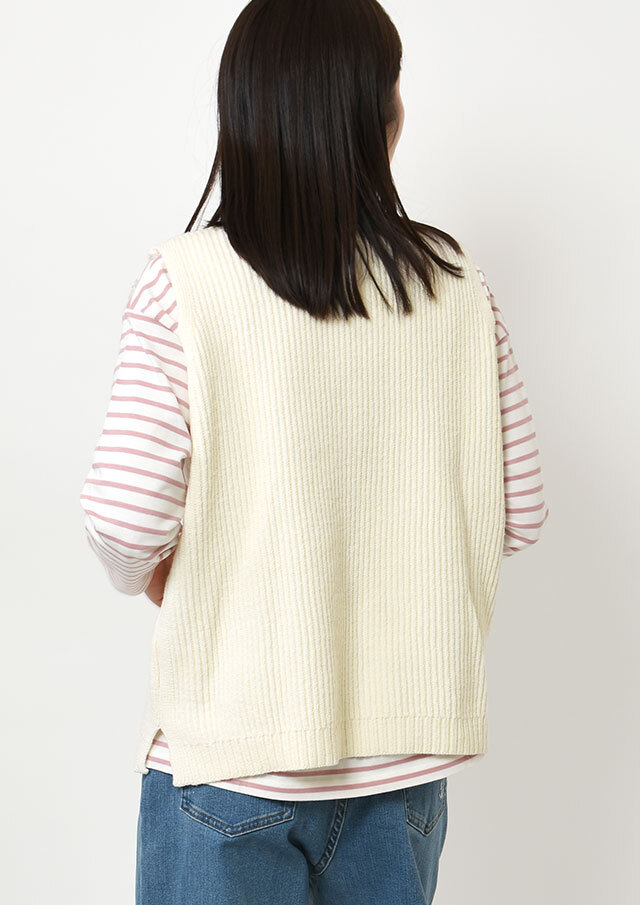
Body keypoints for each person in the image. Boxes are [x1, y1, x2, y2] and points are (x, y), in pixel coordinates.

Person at [79, 1, 549, 902]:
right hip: (403, 770)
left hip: (230, 758)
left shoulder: (186, 283)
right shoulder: (458, 286)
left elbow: (125, 518)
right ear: (382, 116)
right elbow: (518, 511)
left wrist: (154, 573)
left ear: (245, 111)